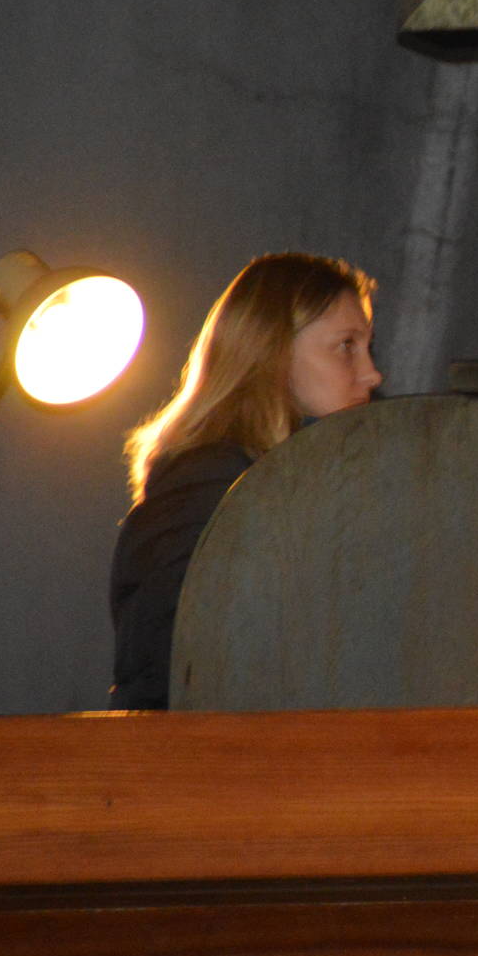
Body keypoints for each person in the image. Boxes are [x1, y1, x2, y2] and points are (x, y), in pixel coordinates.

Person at [110, 252, 383, 710]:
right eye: (346, 346)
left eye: (368, 347)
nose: (372, 374)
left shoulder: (306, 486)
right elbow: (180, 663)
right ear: (273, 353)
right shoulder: (207, 483)